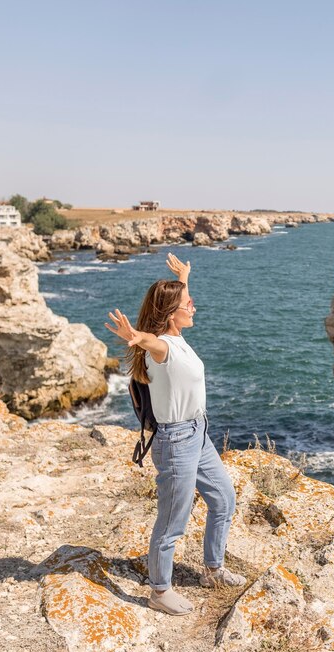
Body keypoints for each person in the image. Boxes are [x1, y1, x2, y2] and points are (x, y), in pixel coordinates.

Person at [105, 253, 246, 615]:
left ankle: (213, 570)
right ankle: (160, 591)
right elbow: (152, 342)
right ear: (172, 314)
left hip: (199, 433)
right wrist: (137, 337)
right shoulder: (162, 348)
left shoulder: (178, 337)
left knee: (224, 499)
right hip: (176, 441)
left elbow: (172, 314)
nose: (194, 306)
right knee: (172, 521)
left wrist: (184, 276)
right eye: (188, 304)